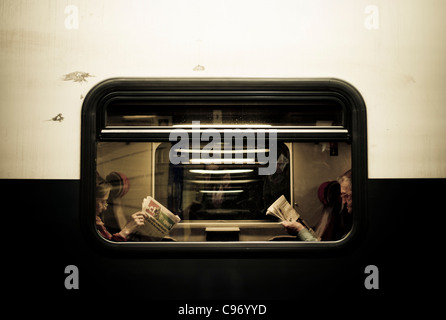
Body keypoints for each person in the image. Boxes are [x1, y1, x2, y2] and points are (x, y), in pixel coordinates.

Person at [282, 169, 352, 241]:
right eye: (342, 196)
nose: (343, 202)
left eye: (346, 196)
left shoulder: (352, 224)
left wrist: (300, 230)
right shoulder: (343, 215)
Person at [96, 173, 148, 241]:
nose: (105, 208)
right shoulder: (93, 226)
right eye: (102, 201)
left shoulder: (97, 222)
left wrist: (130, 226)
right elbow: (108, 249)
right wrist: (126, 230)